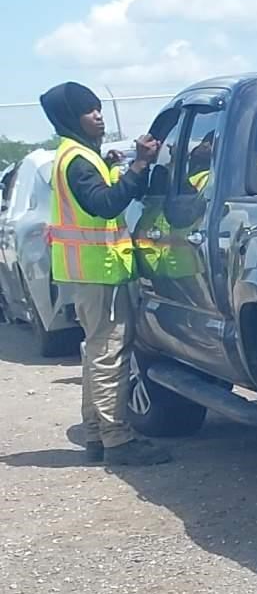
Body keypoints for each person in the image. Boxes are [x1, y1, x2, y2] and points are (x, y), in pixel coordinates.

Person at [39, 81, 166, 465]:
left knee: (97, 352)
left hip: (90, 271)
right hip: (100, 273)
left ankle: (96, 433)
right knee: (109, 353)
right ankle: (117, 439)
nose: (98, 115)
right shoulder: (77, 160)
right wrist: (140, 164)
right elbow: (105, 205)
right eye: (89, 110)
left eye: (98, 108)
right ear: (69, 117)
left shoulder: (78, 155)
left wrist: (115, 168)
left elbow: (99, 195)